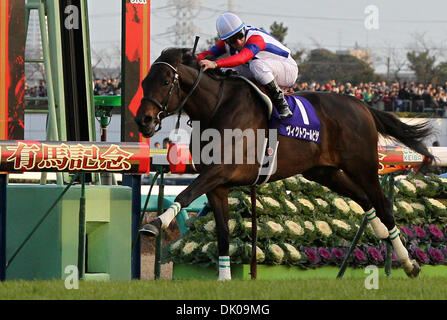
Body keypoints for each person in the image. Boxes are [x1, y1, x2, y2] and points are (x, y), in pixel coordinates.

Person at [197, 12, 298, 119]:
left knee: (256, 65)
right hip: (266, 69)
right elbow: (206, 55)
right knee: (224, 69)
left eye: (240, 35)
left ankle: (281, 103)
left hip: (288, 69)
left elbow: (242, 58)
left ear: (244, 30)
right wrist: (189, 57)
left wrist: (214, 63)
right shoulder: (225, 43)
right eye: (232, 40)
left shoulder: (255, 38)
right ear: (226, 41)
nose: (239, 42)